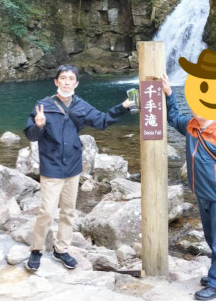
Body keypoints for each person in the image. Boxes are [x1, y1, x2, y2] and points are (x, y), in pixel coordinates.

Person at [23, 64, 134, 272]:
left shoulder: (81, 106)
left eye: (71, 79)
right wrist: (38, 125)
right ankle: (36, 250)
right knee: (46, 212)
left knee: (68, 212)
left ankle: (61, 249)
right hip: (52, 166)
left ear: (76, 83)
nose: (67, 82)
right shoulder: (43, 106)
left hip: (73, 166)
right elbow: (31, 136)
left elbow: (102, 121)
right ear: (56, 82)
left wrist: (124, 106)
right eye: (63, 78)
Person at [161, 72, 216, 301]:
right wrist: (168, 93)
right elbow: (173, 117)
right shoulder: (192, 126)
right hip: (202, 194)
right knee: (211, 237)